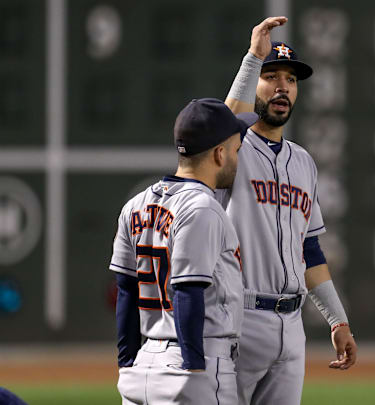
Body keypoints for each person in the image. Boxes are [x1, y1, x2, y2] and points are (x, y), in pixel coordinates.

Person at [219, 16, 357, 405]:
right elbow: (220, 128)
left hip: (291, 325)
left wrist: (337, 319)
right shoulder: (231, 150)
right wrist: (252, 58)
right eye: (272, 76)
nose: (282, 87)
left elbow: (309, 250)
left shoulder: (304, 163)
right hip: (238, 317)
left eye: (291, 80)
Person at [109, 98, 258, 404]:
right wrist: (194, 369)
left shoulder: (135, 205)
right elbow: (187, 290)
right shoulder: (202, 207)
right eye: (235, 150)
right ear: (219, 154)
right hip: (194, 360)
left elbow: (126, 291)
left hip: (143, 364)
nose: (237, 158)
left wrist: (126, 363)